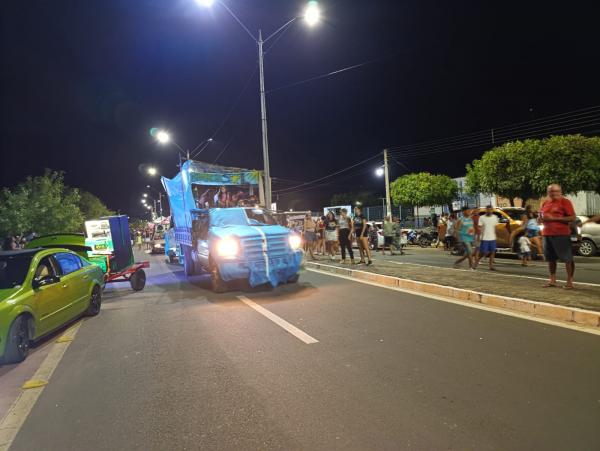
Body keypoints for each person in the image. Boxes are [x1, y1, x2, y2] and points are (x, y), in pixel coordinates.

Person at [540, 184, 576, 289]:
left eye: (556, 191)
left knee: (567, 259)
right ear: (548, 192)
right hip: (546, 234)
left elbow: (572, 217)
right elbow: (541, 216)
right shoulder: (545, 203)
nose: (554, 193)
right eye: (551, 191)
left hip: (561, 234)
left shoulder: (565, 202)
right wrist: (540, 219)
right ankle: (552, 280)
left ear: (560, 191)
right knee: (550, 259)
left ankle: (569, 282)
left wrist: (554, 219)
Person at [476, 205, 499, 270]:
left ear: (492, 210)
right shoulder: (482, 217)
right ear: (486, 210)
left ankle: (491, 266)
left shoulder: (495, 217)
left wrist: (496, 235)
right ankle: (476, 263)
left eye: (490, 209)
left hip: (492, 238)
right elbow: (479, 227)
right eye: (488, 209)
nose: (489, 211)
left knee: (492, 252)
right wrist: (479, 236)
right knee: (483, 253)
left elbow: (495, 227)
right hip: (484, 238)